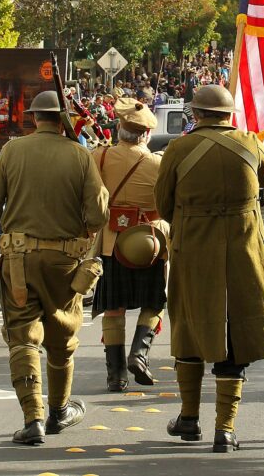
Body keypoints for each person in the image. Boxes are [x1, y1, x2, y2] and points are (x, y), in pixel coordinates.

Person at [155, 84, 264, 453]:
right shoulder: (249, 142)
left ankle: (189, 418)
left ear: (195, 114)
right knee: (235, 342)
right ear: (229, 115)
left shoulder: (178, 149)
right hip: (244, 253)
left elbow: (163, 203)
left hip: (194, 250)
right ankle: (224, 430)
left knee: (190, 330)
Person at [0, 90, 109, 446]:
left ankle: (32, 418)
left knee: (22, 335)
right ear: (61, 119)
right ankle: (59, 410)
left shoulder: (12, 151)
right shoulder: (80, 155)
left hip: (18, 258)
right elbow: (98, 213)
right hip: (65, 260)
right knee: (62, 336)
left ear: (34, 118)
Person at [91, 98, 166, 393]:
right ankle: (139, 354)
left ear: (119, 129)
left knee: (113, 308)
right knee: (154, 302)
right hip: (149, 242)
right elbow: (165, 205)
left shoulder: (101, 156)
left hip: (112, 243)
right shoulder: (158, 163)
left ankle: (116, 375)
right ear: (146, 134)